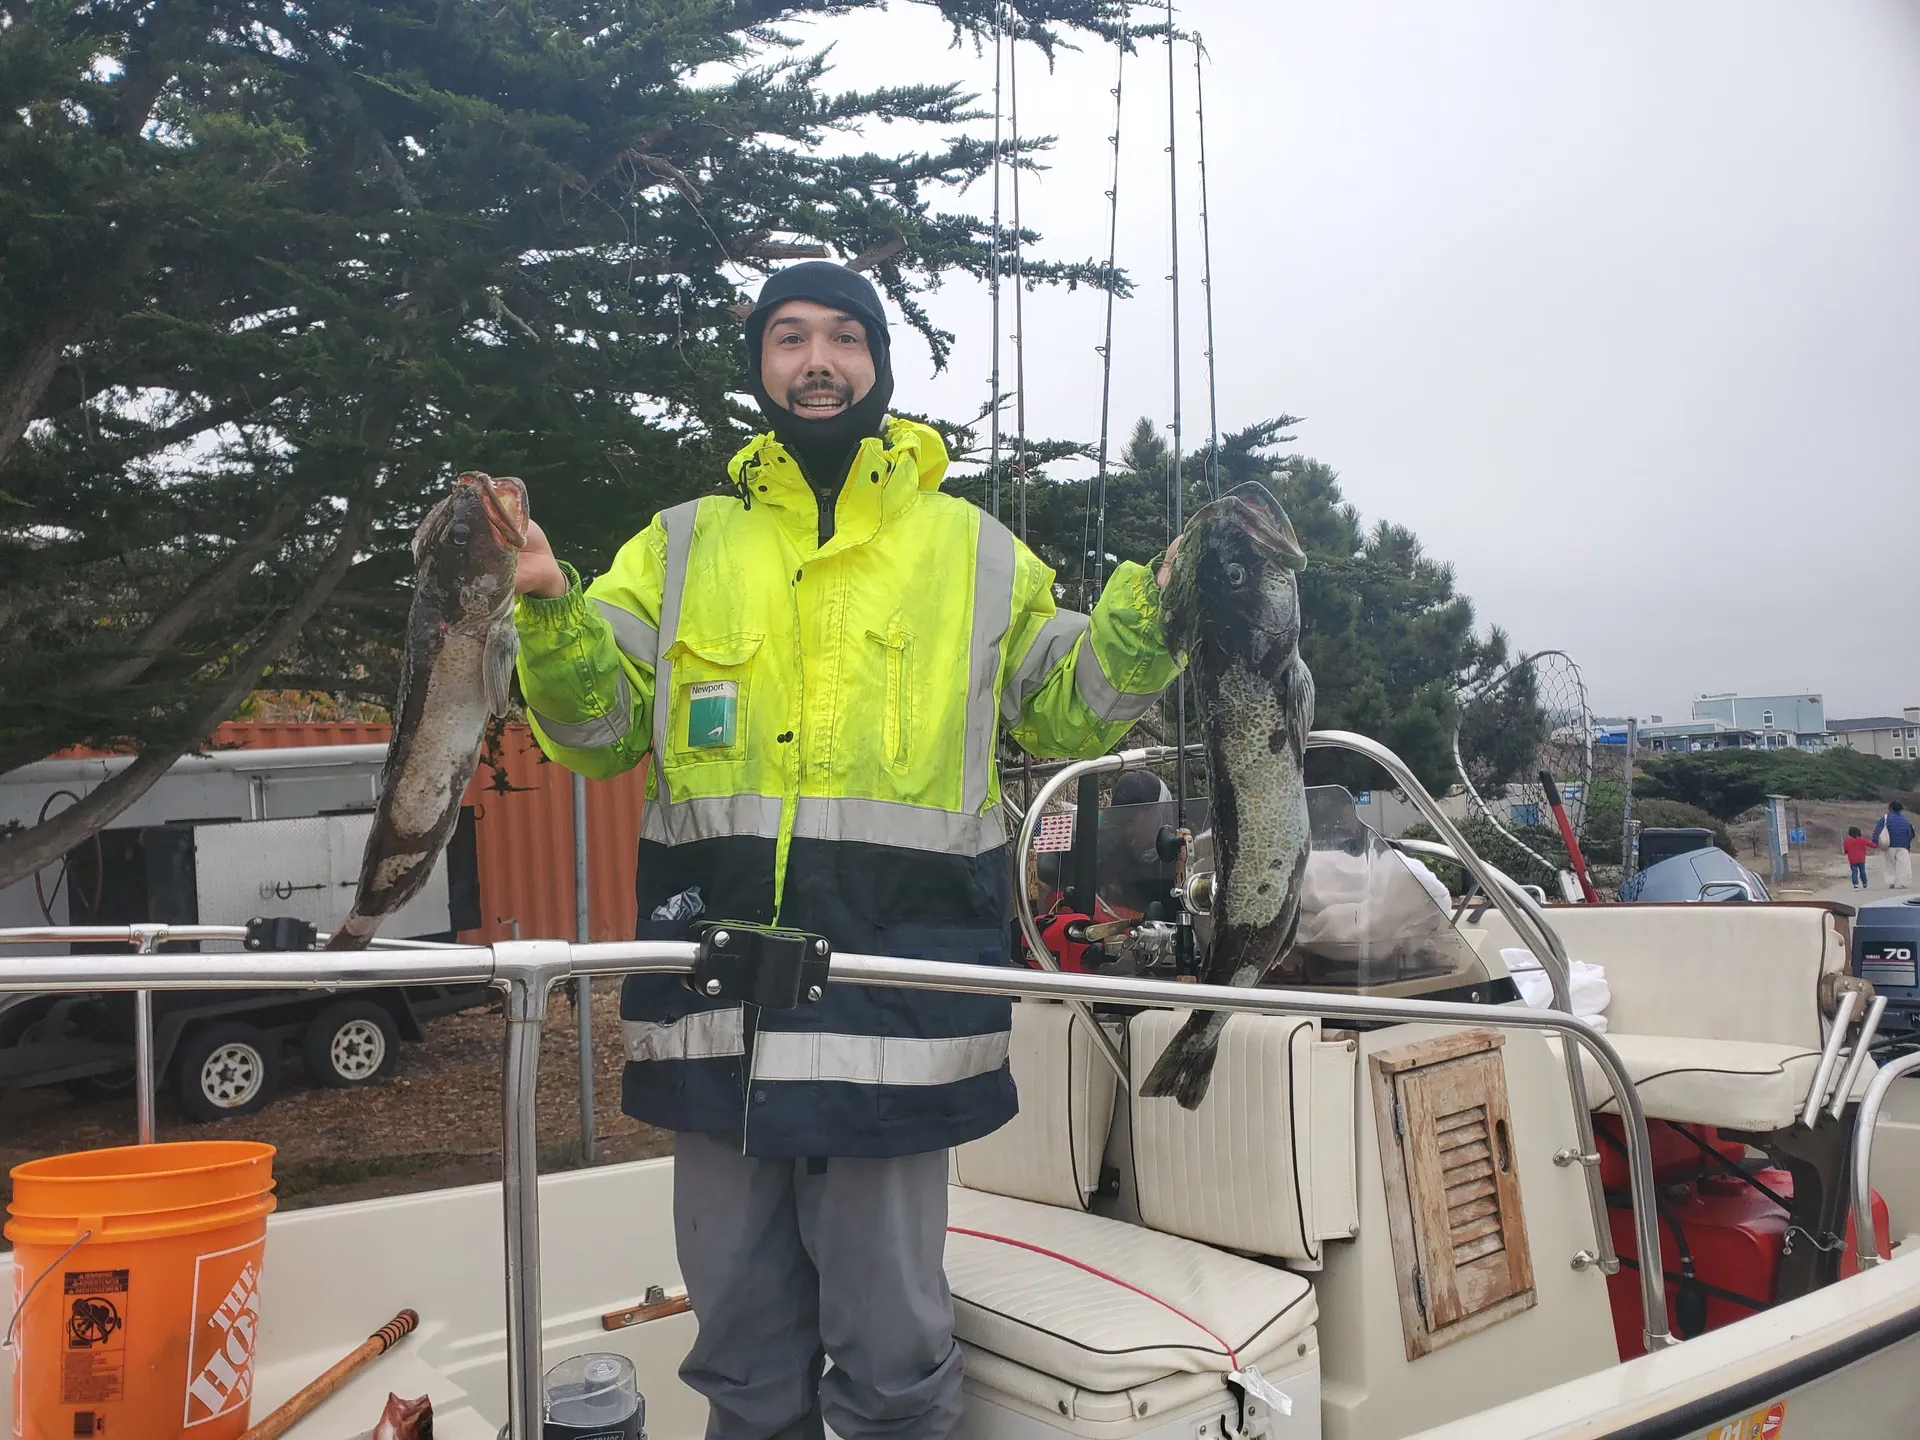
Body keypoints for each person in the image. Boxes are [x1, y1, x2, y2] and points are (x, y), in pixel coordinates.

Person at [510, 262, 1182, 1440]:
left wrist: (1155, 613)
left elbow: (1071, 709)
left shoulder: (974, 553)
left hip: (892, 1025)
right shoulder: (673, 547)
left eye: (843, 339)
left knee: (894, 1354)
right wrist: (549, 610)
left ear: (877, 364)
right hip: (717, 1021)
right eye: (788, 338)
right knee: (740, 1355)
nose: (816, 361)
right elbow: (599, 732)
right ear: (760, 367)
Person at [1873, 800, 1915, 890]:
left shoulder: (1885, 818)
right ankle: (1902, 883)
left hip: (1889, 846)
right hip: (1903, 846)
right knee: (1903, 865)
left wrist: (1875, 842)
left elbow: (1878, 831)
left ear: (1891, 808)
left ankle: (1891, 882)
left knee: (1890, 864)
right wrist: (1908, 844)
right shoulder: (1905, 820)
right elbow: (1911, 833)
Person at [1843, 826, 1877, 890]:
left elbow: (1845, 850)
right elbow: (1872, 845)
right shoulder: (1862, 840)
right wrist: (1876, 844)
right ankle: (1864, 882)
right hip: (1861, 859)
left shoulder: (1847, 841)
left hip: (1852, 859)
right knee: (1862, 871)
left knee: (1854, 872)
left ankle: (1855, 885)